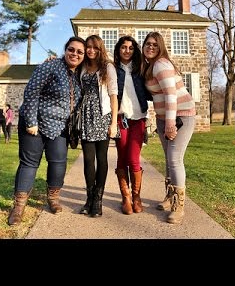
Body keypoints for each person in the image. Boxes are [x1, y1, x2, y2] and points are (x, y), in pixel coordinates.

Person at [7, 36, 86, 226]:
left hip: (59, 128)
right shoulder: (50, 66)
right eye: (71, 49)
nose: (75, 54)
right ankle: (18, 206)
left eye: (79, 52)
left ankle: (53, 198)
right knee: (29, 164)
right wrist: (31, 122)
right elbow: (32, 91)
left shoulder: (78, 75)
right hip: (35, 124)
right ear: (65, 50)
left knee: (58, 162)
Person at [141, 31, 196, 224]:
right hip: (165, 118)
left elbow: (171, 95)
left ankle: (178, 207)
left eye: (155, 45)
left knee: (174, 159)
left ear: (161, 47)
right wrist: (163, 122)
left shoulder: (161, 64)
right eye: (148, 43)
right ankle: (169, 196)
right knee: (168, 159)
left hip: (182, 116)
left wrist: (171, 123)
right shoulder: (149, 66)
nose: (150, 47)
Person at [78, 35, 118, 217]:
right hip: (85, 116)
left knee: (102, 159)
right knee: (88, 159)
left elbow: (113, 96)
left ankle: (98, 200)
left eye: (95, 47)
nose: (91, 50)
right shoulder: (83, 66)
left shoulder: (107, 67)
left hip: (102, 116)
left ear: (100, 48)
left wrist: (113, 123)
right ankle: (89, 197)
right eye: (88, 47)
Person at [112, 35, 151, 215]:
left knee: (134, 158)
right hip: (121, 119)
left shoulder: (141, 69)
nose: (127, 50)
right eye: (123, 47)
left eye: (130, 48)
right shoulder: (112, 69)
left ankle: (136, 196)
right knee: (122, 157)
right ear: (118, 50)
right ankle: (125, 197)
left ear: (134, 50)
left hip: (139, 119)